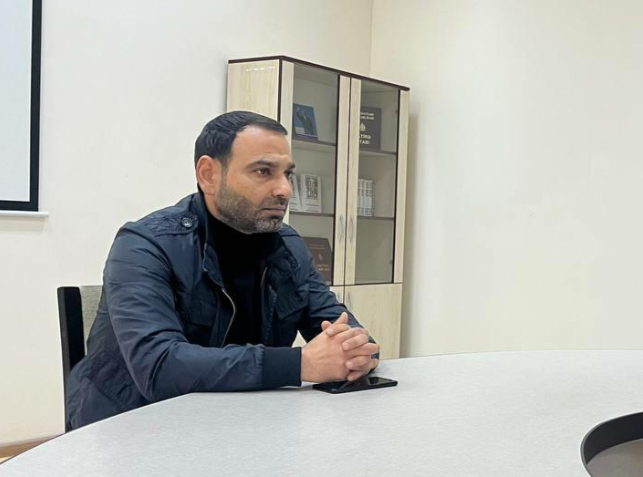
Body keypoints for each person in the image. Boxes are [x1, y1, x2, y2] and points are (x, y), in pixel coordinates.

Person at [66, 111, 379, 429]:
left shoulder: (288, 246)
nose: (285, 189)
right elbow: (159, 367)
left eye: (287, 174)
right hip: (133, 423)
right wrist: (300, 364)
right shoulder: (144, 244)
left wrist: (355, 351)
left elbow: (343, 330)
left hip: (241, 418)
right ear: (209, 175)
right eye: (263, 171)